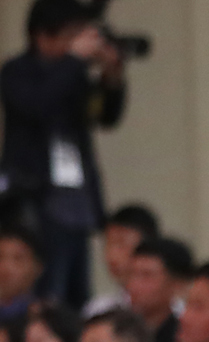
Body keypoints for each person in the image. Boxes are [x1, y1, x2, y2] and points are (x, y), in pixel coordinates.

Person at [0, 0, 127, 306]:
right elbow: (36, 106)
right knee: (45, 292)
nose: (80, 43)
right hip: (34, 196)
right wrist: (73, 62)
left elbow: (106, 116)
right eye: (72, 34)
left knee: (76, 293)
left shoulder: (74, 75)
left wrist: (112, 78)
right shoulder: (17, 71)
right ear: (43, 37)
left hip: (75, 201)